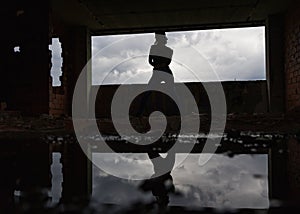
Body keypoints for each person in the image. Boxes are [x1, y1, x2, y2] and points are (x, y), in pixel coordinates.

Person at [136, 31, 178, 118]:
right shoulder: (166, 50)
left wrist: (157, 65)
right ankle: (139, 112)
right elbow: (152, 61)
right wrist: (159, 65)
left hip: (162, 73)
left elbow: (154, 61)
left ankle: (139, 112)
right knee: (171, 92)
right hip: (161, 73)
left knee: (171, 92)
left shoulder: (165, 50)